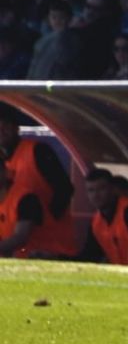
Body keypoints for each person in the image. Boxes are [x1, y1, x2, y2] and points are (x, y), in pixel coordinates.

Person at [0, 103, 76, 259]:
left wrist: (43, 220)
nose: (1, 130)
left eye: (5, 125)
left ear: (16, 128)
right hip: (21, 248)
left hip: (51, 246)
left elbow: (65, 189)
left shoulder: (37, 151)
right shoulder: (4, 159)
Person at [78, 166, 128, 265]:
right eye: (91, 190)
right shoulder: (96, 221)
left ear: (113, 189)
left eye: (101, 189)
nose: (96, 195)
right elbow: (90, 255)